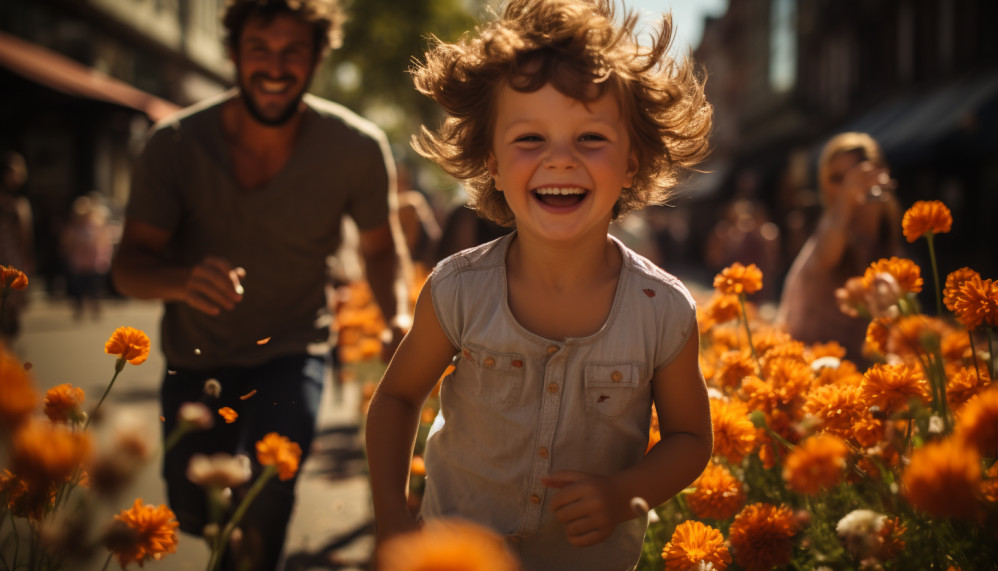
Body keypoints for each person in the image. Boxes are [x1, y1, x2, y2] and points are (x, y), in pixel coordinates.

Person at [365, 1, 714, 569]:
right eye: (530, 139)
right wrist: (390, 518)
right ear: (492, 163)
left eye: (591, 139)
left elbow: (690, 439)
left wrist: (626, 493)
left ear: (632, 161)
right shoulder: (459, 289)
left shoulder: (663, 309)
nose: (560, 160)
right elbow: (399, 397)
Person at [110, 1, 410, 569]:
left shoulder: (357, 147)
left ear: (319, 57)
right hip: (196, 358)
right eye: (259, 50)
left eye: (293, 51)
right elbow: (128, 266)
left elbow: (380, 246)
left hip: (294, 350)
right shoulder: (173, 144)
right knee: (195, 512)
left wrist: (397, 313)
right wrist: (182, 280)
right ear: (232, 54)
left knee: (268, 495)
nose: (276, 67)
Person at [777, 132, 901, 363]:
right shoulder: (830, 231)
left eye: (855, 174)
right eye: (837, 178)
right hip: (810, 365)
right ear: (824, 184)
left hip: (861, 370)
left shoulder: (887, 230)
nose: (847, 185)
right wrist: (848, 198)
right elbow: (828, 255)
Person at [61, 195, 114, 320]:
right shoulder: (75, 227)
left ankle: (95, 307)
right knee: (79, 287)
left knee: (94, 287)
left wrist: (106, 256)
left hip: (93, 261)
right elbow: (67, 243)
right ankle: (80, 307)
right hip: (79, 262)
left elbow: (104, 241)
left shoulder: (96, 225)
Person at [0, 151, 33, 343]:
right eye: (15, 170)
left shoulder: (19, 205)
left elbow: (25, 239)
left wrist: (26, 263)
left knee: (10, 310)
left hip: (13, 264)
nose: (21, 173)